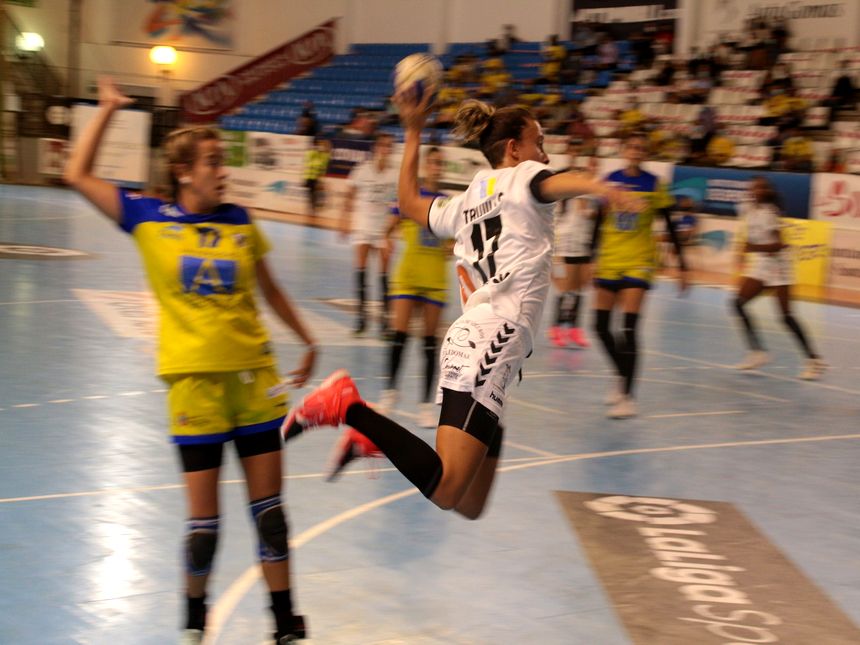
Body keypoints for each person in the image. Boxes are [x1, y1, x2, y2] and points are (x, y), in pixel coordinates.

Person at [284, 95, 636, 519]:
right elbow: (559, 182)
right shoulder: (526, 174)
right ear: (513, 148)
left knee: (470, 503)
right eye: (538, 142)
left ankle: (376, 438)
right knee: (450, 491)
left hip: (475, 339)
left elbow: (410, 203)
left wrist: (413, 131)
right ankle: (348, 406)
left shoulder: (469, 198)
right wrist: (601, 187)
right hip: (494, 335)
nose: (544, 154)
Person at [63, 77, 317, 645]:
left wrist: (307, 338)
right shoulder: (149, 218)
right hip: (194, 388)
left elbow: (269, 290)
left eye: (221, 160)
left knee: (271, 515)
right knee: (205, 529)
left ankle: (285, 627)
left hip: (256, 382)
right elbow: (75, 175)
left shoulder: (241, 221)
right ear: (183, 171)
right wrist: (105, 110)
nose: (221, 169)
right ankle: (194, 625)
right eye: (211, 161)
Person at [592, 133, 689, 419]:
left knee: (629, 329)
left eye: (641, 148)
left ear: (645, 153)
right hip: (609, 259)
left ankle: (627, 396)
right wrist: (589, 258)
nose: (636, 150)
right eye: (632, 146)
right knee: (599, 326)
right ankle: (622, 374)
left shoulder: (655, 184)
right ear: (623, 150)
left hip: (639, 261)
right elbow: (598, 222)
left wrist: (682, 266)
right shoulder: (609, 180)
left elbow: (670, 227)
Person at [379, 146, 449, 428]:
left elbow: (455, 241)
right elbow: (389, 227)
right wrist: (386, 240)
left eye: (440, 163)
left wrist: (454, 248)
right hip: (408, 274)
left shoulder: (448, 204)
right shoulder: (410, 197)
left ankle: (424, 406)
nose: (436, 167)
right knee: (400, 336)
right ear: (425, 166)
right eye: (432, 163)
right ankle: (390, 393)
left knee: (429, 344)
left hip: (434, 279)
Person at [731, 177, 826, 379]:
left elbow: (780, 245)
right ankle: (757, 352)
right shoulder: (748, 207)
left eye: (761, 187)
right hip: (762, 264)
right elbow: (749, 234)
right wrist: (742, 249)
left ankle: (814, 361)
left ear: (767, 192)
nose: (755, 189)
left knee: (785, 316)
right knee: (737, 303)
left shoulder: (770, 214)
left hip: (779, 265)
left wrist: (752, 248)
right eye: (754, 185)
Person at [340, 133, 398, 336]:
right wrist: (344, 221)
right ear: (376, 148)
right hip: (363, 226)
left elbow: (398, 205)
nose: (385, 149)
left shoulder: (394, 174)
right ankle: (361, 319)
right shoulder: (362, 170)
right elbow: (349, 195)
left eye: (389, 146)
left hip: (383, 230)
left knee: (384, 275)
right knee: (361, 272)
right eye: (383, 145)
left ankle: (385, 322)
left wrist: (392, 231)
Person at [547, 149, 599, 348]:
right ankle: (557, 328)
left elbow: (594, 226)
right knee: (565, 291)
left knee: (580, 290)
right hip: (566, 248)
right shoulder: (568, 197)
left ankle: (575, 329)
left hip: (583, 249)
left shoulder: (594, 198)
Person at [303, 136, 330, 217]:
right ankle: (312, 209)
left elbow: (324, 162)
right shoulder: (311, 152)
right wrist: (318, 150)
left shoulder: (323, 154)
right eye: (318, 143)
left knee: (315, 193)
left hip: (317, 177)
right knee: (311, 193)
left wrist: (323, 150)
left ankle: (314, 208)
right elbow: (311, 158)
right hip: (309, 176)